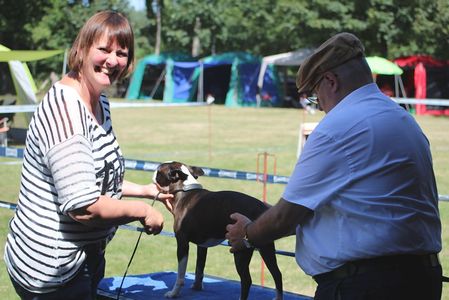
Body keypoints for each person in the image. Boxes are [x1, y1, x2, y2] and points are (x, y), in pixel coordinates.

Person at [226, 32, 442, 300]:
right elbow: (354, 207)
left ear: (331, 80)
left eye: (317, 98)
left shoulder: (338, 127)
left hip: (363, 286)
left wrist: (247, 235)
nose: (322, 108)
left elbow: (285, 217)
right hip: (419, 280)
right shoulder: (403, 119)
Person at [4, 11, 173, 299]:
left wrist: (145, 191)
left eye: (121, 53)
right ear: (81, 49)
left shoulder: (99, 99)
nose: (113, 60)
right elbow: (83, 205)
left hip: (83, 258)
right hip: (51, 271)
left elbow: (93, 177)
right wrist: (142, 211)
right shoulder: (66, 112)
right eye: (104, 49)